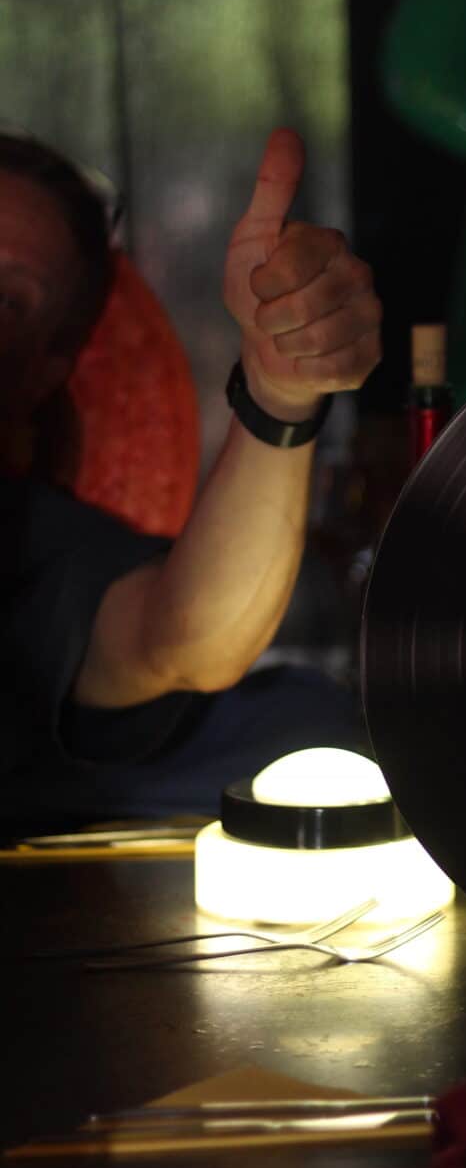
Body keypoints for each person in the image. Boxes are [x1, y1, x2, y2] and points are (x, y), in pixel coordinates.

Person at [0, 127, 382, 824]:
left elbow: (185, 638)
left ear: (40, 372)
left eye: (9, 301)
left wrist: (280, 394)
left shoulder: (34, 545)